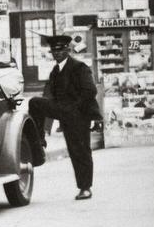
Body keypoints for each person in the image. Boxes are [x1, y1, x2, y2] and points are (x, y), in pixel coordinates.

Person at [27, 35, 102, 199]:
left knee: (80, 151)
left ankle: (85, 188)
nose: (57, 53)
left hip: (79, 115)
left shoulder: (79, 67)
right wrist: (46, 129)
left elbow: (90, 91)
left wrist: (74, 109)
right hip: (64, 112)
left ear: (68, 50)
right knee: (35, 103)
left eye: (60, 50)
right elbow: (49, 98)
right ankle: (39, 142)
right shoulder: (55, 71)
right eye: (54, 50)